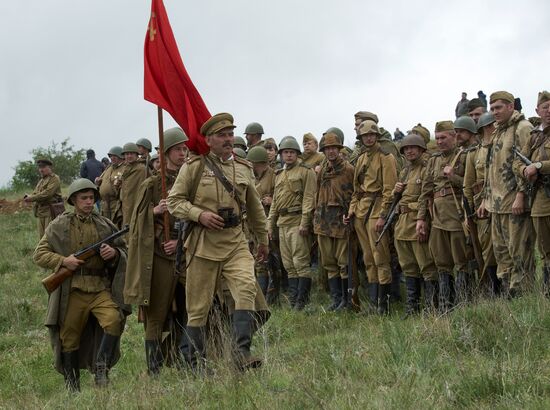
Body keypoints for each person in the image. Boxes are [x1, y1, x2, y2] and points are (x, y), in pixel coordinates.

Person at [166, 113, 269, 372]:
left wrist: (263, 239)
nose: (227, 139)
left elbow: (256, 209)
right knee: (198, 307)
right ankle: (194, 363)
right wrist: (199, 214)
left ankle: (240, 352)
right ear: (209, 140)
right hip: (203, 245)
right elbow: (174, 202)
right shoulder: (195, 167)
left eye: (230, 134)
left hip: (236, 242)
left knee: (246, 288)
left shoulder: (243, 168)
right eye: (222, 135)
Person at [33, 178, 129, 391]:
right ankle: (72, 386)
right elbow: (39, 254)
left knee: (113, 320)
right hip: (72, 289)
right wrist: (63, 261)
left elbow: (125, 250)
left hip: (99, 287)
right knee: (69, 338)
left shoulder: (105, 224)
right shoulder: (59, 224)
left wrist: (113, 254)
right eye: (83, 198)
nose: (88, 202)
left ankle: (101, 370)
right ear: (73, 200)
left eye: (91, 198)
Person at [125, 128, 188, 375]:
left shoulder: (190, 180)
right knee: (157, 314)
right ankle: (154, 368)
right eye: (177, 149)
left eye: (185, 149)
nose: (183, 153)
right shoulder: (152, 184)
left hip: (187, 252)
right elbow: (136, 222)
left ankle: (181, 357)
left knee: (192, 310)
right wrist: (154, 212)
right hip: (162, 257)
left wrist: (180, 241)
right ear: (166, 154)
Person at [478, 91, 535, 297]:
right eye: (492, 108)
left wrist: (521, 195)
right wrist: (485, 199)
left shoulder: (523, 127)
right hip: (496, 204)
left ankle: (524, 295)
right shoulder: (497, 131)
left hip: (515, 202)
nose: (494, 112)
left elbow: (525, 164)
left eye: (498, 107)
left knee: (520, 252)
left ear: (511, 106)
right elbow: (489, 169)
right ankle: (508, 294)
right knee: (502, 253)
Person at [345, 120, 397, 314]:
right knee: (368, 258)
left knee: (380, 258)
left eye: (371, 135)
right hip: (360, 211)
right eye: (364, 135)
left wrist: (383, 215)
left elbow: (389, 190)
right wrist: (351, 210)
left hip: (376, 211)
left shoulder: (386, 157)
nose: (368, 138)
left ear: (376, 136)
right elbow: (356, 190)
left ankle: (384, 305)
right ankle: (375, 302)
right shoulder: (360, 159)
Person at [417, 121, 469, 312]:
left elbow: (469, 185)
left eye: (443, 137)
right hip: (437, 217)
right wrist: (421, 219)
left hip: (456, 215)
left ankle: (464, 303)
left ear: (454, 136)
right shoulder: (433, 160)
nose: (439, 142)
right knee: (441, 263)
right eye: (437, 138)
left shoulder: (464, 156)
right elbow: (426, 191)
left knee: (461, 261)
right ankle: (446, 305)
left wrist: (453, 176)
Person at [268, 136, 317, 310]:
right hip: (282, 223)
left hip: (297, 221)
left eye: (292, 152)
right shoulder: (279, 174)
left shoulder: (306, 171)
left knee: (300, 262)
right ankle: (294, 299)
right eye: (285, 152)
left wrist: (305, 222)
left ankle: (302, 301)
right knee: (288, 264)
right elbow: (275, 202)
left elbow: (309, 198)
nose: (288, 155)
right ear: (281, 155)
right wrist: (270, 225)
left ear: (297, 154)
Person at [393, 134, 438, 315]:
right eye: (406, 148)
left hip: (418, 222)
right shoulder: (405, 171)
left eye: (413, 147)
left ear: (421, 149)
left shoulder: (426, 168)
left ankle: (431, 306)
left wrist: (422, 220)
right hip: (402, 224)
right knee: (408, 266)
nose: (409, 151)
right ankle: (412, 307)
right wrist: (396, 192)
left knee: (426, 265)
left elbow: (426, 197)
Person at [313, 132, 354, 311]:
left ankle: (346, 301)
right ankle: (336, 300)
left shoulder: (349, 169)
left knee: (343, 262)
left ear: (339, 149)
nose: (330, 152)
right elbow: (316, 194)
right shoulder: (322, 171)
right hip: (323, 222)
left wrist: (351, 213)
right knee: (329, 263)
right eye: (327, 149)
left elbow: (356, 194)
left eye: (334, 148)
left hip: (341, 221)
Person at [463, 113, 499, 296]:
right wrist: (468, 214)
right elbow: (468, 185)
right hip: (481, 209)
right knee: (487, 249)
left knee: (505, 247)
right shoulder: (474, 154)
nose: (492, 130)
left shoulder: (502, 148)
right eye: (489, 127)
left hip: (502, 203)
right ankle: (494, 291)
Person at [522, 91, 550, 294]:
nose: (549, 111)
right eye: (545, 107)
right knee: (545, 250)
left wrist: (539, 165)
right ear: (537, 111)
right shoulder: (534, 137)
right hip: (540, 198)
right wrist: (524, 169)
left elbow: (537, 164)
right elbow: (518, 161)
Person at [246, 146, 279, 302]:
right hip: (253, 224)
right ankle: (262, 298)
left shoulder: (274, 176)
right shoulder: (252, 177)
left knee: (272, 259)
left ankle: (273, 294)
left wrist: (271, 200)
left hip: (269, 221)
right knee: (258, 261)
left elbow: (280, 196)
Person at [23, 159, 63, 238]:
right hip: (41, 211)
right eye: (40, 167)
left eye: (43, 167)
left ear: (49, 167)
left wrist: (31, 198)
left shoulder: (54, 178)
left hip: (51, 211)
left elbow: (47, 194)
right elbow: (35, 193)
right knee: (42, 237)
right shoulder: (41, 181)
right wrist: (29, 196)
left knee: (50, 236)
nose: (41, 170)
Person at [119, 142, 147, 227]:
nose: (129, 156)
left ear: (136, 155)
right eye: (127, 154)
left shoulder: (141, 169)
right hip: (126, 203)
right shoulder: (125, 168)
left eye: (131, 154)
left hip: (136, 203)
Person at [95, 146, 124, 226]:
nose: (112, 158)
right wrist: (98, 182)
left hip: (115, 205)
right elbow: (100, 180)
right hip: (104, 205)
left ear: (120, 156)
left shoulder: (124, 168)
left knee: (116, 227)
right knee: (105, 228)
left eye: (114, 156)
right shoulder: (108, 168)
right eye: (110, 156)